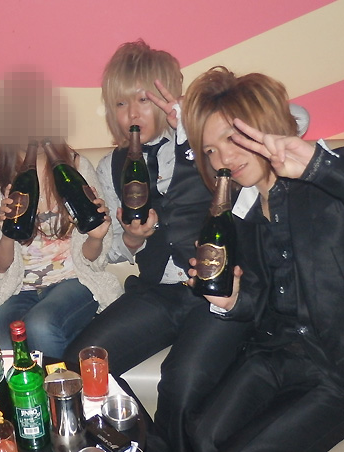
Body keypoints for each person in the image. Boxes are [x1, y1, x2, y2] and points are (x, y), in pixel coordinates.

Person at [64, 40, 254, 452]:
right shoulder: (111, 165)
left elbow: (241, 190)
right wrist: (133, 238)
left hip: (213, 294)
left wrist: (189, 130)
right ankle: (149, 445)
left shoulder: (205, 147)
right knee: (81, 362)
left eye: (143, 100)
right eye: (120, 103)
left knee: (180, 383)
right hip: (157, 291)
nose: (132, 114)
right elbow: (114, 250)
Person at [182, 66, 344, 451]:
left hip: (336, 370)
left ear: (265, 126)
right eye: (210, 150)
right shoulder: (240, 210)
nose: (223, 158)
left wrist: (318, 166)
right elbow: (260, 298)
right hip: (276, 353)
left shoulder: (325, 181)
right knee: (201, 435)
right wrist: (232, 301)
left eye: (231, 139)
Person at [0, 70, 122, 359]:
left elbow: (94, 257)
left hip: (75, 281)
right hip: (20, 289)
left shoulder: (76, 169)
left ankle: (67, 388)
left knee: (41, 325)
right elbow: (0, 265)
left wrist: (96, 237)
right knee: (0, 344)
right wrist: (7, 234)